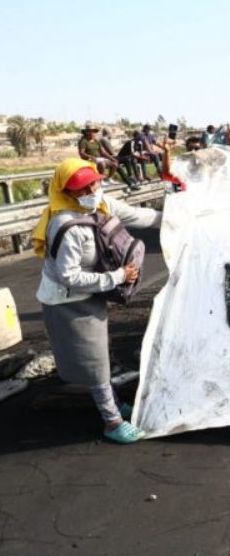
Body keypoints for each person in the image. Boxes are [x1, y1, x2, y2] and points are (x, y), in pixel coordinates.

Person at [31, 159, 163, 443]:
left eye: (96, 183)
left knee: (98, 354)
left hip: (91, 293)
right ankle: (112, 421)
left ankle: (113, 405)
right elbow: (69, 277)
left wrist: (181, 218)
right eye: (83, 188)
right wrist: (116, 277)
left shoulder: (101, 205)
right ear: (67, 193)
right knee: (93, 361)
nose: (93, 190)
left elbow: (140, 216)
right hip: (67, 301)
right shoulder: (65, 226)